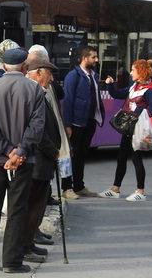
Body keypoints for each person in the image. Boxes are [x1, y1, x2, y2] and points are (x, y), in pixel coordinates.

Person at [0, 48, 45, 274]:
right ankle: (12, 262)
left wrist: (6, 150)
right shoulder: (34, 89)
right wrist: (19, 151)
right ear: (24, 67)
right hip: (24, 159)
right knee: (17, 209)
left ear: (3, 67)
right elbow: (37, 126)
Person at [99, 59, 152, 202]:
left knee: (136, 159)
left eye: (133, 70)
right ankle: (115, 189)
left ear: (141, 72)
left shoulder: (149, 90)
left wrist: (137, 111)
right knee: (121, 158)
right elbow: (117, 94)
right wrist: (110, 85)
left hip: (138, 130)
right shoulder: (134, 87)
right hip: (129, 128)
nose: (130, 72)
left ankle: (141, 191)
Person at [23, 55, 60, 263]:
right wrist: (52, 150)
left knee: (37, 206)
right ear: (37, 74)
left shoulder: (39, 92)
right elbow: (37, 130)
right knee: (31, 206)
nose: (52, 79)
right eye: (49, 74)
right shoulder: (32, 93)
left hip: (42, 160)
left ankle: (29, 243)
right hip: (37, 160)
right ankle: (25, 246)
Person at [62, 46, 105, 199]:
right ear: (85, 58)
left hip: (89, 121)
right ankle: (66, 188)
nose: (96, 60)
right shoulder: (73, 76)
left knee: (81, 154)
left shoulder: (93, 75)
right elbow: (67, 102)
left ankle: (79, 186)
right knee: (70, 155)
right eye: (93, 57)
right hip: (75, 123)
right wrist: (67, 124)